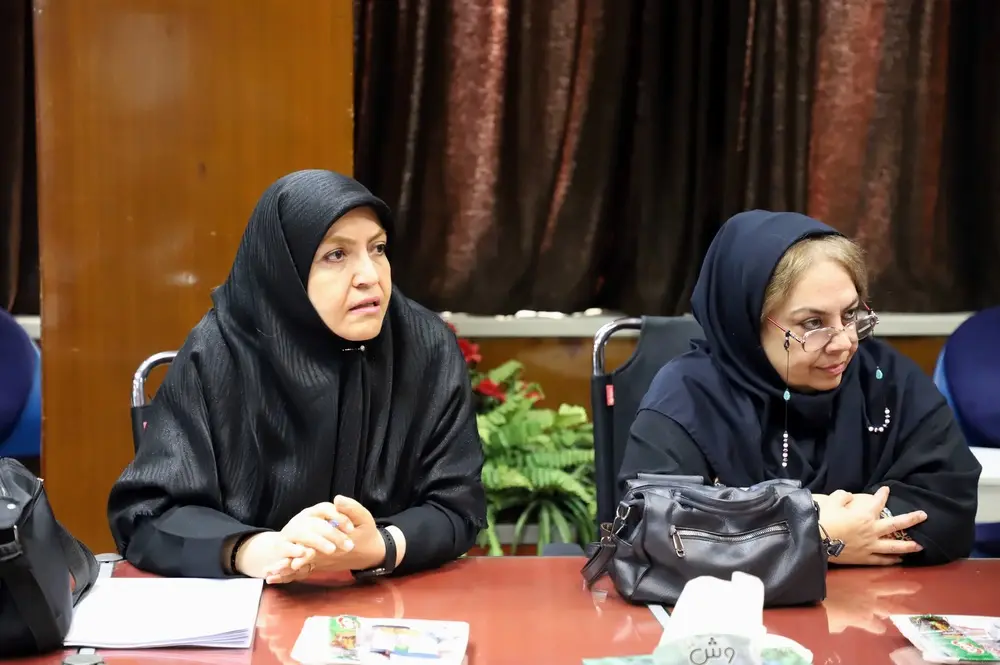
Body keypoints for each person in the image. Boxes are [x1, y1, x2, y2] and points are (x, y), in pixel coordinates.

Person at [108, 170, 487, 583]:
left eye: (377, 248)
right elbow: (147, 515)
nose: (370, 276)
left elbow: (457, 504)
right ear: (283, 268)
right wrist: (253, 549)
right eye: (336, 255)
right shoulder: (219, 350)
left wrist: (380, 545)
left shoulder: (424, 345)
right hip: (251, 603)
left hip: (387, 600)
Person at [619, 210, 981, 566]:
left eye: (850, 314)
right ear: (748, 321)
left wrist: (864, 528)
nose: (844, 342)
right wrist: (814, 534)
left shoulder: (883, 378)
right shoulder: (687, 398)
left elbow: (950, 500)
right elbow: (649, 527)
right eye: (813, 323)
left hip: (877, 598)